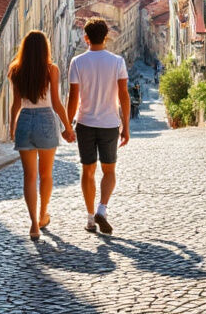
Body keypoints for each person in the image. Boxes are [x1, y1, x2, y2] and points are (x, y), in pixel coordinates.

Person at [8, 30, 75, 240]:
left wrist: (12, 127)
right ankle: (43, 213)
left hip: (25, 120)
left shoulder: (16, 69)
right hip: (46, 119)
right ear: (45, 48)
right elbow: (56, 103)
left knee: (29, 176)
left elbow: (16, 104)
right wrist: (67, 127)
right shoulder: (51, 70)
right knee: (46, 175)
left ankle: (34, 224)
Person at [66, 17, 130, 235]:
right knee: (109, 170)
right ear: (106, 37)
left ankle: (90, 218)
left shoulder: (77, 62)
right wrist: (126, 126)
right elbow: (124, 96)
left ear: (86, 38)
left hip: (85, 123)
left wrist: (67, 124)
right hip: (110, 124)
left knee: (88, 170)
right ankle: (102, 208)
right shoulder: (117, 62)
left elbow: (73, 97)